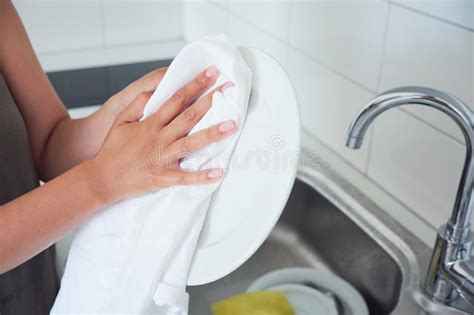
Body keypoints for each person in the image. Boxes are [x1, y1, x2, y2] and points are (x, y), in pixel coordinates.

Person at [0, 2, 236, 313]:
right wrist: (101, 181)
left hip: (38, 291)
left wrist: (126, 110)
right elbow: (100, 179)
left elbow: (47, 144)